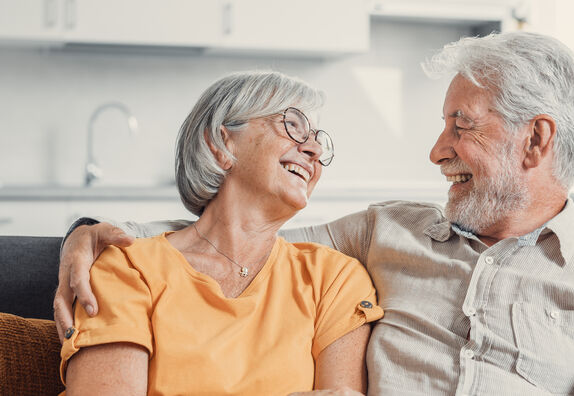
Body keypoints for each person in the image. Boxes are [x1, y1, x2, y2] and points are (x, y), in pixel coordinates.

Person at [55, 32, 574, 395]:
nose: (436, 152)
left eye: (460, 126)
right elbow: (236, 235)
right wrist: (92, 234)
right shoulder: (385, 232)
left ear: (535, 141)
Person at [58, 71, 383, 395]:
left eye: (318, 139)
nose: (313, 149)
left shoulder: (335, 280)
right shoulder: (129, 268)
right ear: (219, 143)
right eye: (292, 125)